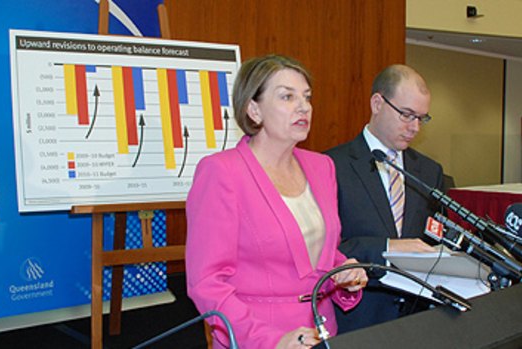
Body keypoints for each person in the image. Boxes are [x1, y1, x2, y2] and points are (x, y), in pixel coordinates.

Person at [185, 54, 368, 349]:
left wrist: (344, 272)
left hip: (323, 333)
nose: (303, 106)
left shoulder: (322, 167)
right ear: (253, 110)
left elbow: (318, 251)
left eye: (307, 97)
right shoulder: (222, 172)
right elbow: (206, 282)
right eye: (287, 96)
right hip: (256, 338)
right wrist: (267, 341)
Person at [325, 64, 444, 333]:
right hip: (358, 319)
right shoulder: (330, 166)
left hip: (418, 320)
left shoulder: (430, 172)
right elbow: (323, 250)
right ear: (377, 103)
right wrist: (389, 247)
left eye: (422, 118)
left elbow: (434, 239)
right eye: (406, 115)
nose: (414, 127)